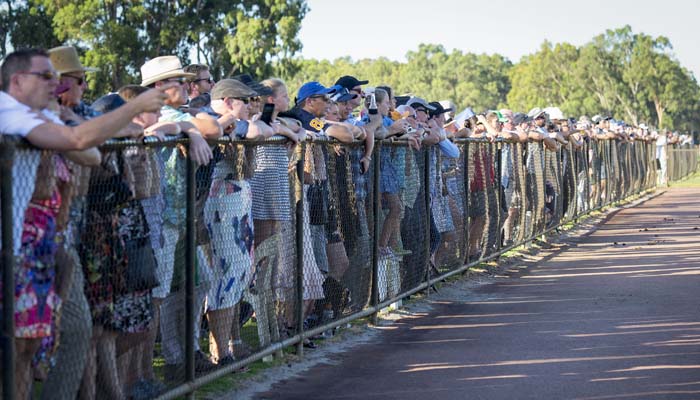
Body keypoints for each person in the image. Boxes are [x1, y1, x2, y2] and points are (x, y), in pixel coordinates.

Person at [0, 48, 167, 400]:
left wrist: (60, 119)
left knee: (28, 348)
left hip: (33, 248)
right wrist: (135, 107)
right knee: (17, 349)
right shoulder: (7, 111)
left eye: (57, 77)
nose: (55, 84)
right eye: (45, 76)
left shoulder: (35, 115)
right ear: (16, 81)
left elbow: (88, 154)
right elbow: (78, 142)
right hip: (13, 250)